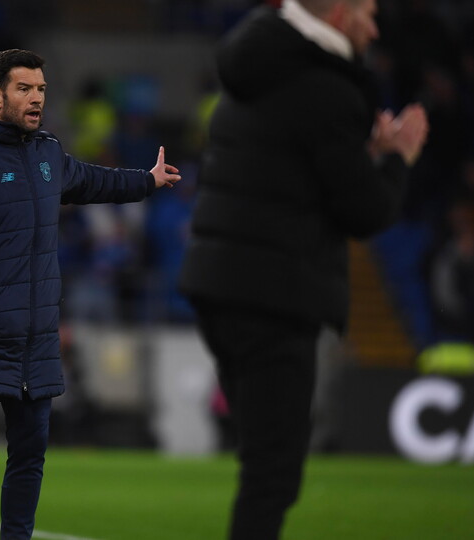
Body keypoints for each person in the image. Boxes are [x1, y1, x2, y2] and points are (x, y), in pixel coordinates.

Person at [0, 49, 181, 540]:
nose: (36, 99)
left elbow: (93, 180)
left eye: (41, 90)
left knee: (31, 449)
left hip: (34, 333)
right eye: (25, 89)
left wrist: (147, 181)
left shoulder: (48, 152)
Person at [177, 1, 429, 539]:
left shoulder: (254, 69)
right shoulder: (324, 89)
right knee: (274, 474)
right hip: (276, 294)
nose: (375, 27)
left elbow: (289, 165)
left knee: (265, 460)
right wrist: (396, 160)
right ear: (338, 15)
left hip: (216, 285)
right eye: (367, 12)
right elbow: (364, 211)